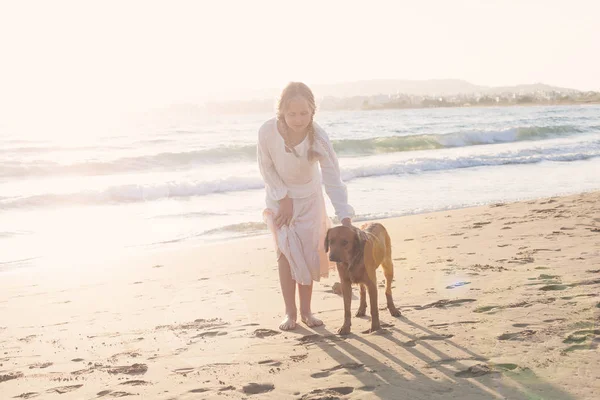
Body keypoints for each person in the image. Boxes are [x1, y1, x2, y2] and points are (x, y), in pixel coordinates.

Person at [257, 82, 355, 331]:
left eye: (304, 113)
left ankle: (307, 312)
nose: (298, 120)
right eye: (291, 114)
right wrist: (283, 197)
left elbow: (332, 176)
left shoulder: (319, 138)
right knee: (286, 253)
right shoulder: (267, 131)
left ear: (313, 112)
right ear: (281, 112)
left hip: (310, 200)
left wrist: (344, 214)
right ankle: (290, 313)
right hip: (280, 199)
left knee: (309, 254)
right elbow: (266, 168)